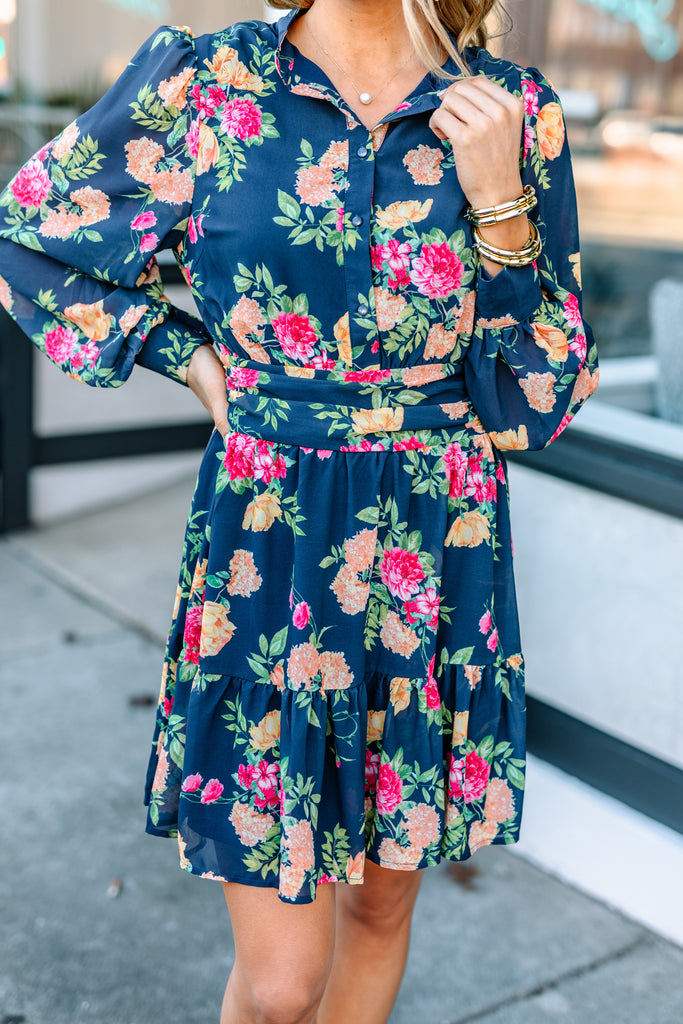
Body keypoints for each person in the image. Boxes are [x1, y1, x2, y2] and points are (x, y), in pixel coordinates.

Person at [0, 0, 598, 1021]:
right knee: (280, 986)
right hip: (268, 538)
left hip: (432, 541)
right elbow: (31, 237)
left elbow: (536, 398)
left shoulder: (510, 113)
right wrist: (180, 351)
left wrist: (498, 208)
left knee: (374, 913)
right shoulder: (205, 83)